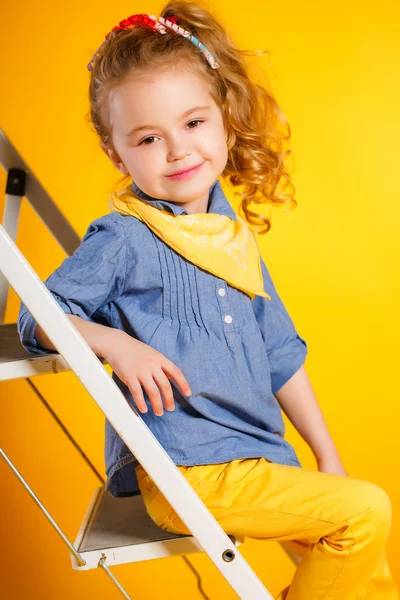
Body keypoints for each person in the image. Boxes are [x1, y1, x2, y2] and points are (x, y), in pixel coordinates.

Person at [17, 2, 398, 598]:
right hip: (187, 470)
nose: (177, 151)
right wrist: (117, 344)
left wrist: (328, 456)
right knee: (366, 513)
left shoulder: (231, 240)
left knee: (365, 560)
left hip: (258, 461)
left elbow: (281, 354)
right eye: (148, 138)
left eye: (193, 124)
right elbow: (35, 314)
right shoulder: (124, 237)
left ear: (222, 119)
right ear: (118, 155)